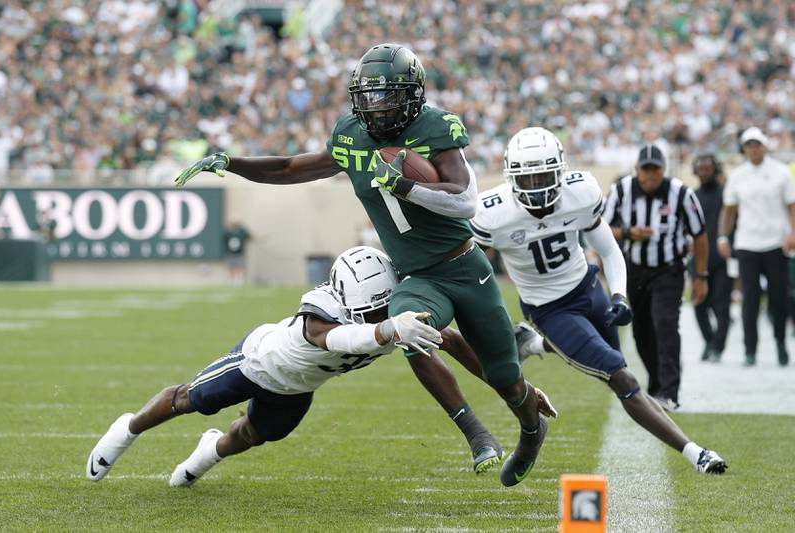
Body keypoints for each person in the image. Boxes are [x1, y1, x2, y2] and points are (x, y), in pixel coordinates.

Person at [173, 43, 552, 485]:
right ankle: (476, 434)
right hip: (416, 275)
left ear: (412, 94)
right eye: (369, 95)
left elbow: (465, 201)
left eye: (387, 95)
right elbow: (293, 167)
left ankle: (531, 428)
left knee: (505, 377)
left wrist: (406, 186)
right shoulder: (352, 135)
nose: (376, 106)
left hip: (465, 267)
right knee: (408, 327)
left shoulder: (436, 128)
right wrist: (232, 162)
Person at [86, 246, 558, 485]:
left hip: (298, 388)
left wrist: (517, 384)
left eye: (384, 308)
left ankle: (206, 455)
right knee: (193, 399)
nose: (380, 315)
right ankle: (127, 430)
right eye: (371, 310)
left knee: (254, 434)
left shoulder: (385, 312)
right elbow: (333, 337)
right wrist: (385, 330)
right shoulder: (322, 310)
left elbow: (452, 341)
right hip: (258, 363)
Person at [472, 127, 726, 475]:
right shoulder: (492, 214)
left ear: (560, 170)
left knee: (617, 371)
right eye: (527, 179)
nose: (537, 186)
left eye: (545, 175)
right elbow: (470, 267)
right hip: (550, 309)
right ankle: (696, 453)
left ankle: (533, 344)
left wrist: (619, 294)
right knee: (622, 379)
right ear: (511, 178)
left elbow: (608, 248)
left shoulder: (580, 192)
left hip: (589, 288)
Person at [603, 144, 709, 412]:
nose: (651, 175)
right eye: (646, 169)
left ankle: (670, 392)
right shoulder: (621, 191)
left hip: (668, 269)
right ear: (637, 169)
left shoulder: (681, 193)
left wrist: (701, 275)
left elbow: (699, 234)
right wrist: (628, 233)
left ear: (664, 170)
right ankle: (656, 383)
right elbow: (601, 229)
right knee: (642, 332)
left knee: (665, 323)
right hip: (635, 268)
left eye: (656, 169)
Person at [717, 127, 795, 367]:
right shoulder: (738, 176)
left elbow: (792, 206)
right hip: (747, 244)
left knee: (778, 299)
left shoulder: (781, 172)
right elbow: (729, 210)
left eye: (757, 144)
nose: (753, 149)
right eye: (749, 145)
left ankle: (781, 344)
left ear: (764, 146)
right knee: (749, 300)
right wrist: (722, 237)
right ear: (744, 149)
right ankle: (750, 350)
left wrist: (793, 233)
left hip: (775, 243)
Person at [692, 154, 733, 362]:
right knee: (699, 304)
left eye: (708, 168)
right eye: (701, 168)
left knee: (721, 304)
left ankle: (718, 347)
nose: (705, 172)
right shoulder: (692, 196)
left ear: (716, 169)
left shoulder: (727, 194)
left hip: (722, 258)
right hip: (698, 258)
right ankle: (709, 341)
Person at [224, 221, 251, 286]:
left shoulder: (242, 233)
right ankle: (233, 281)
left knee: (240, 268)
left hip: (239, 254)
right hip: (231, 253)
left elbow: (249, 236)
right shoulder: (228, 233)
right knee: (232, 268)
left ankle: (240, 281)